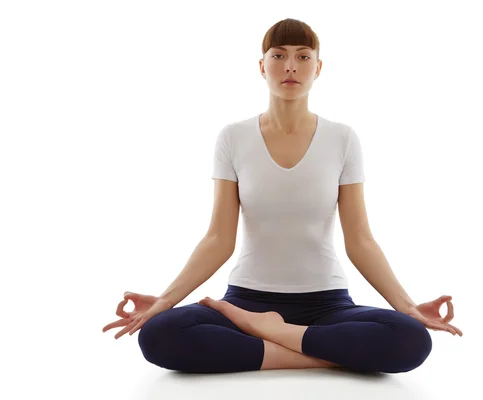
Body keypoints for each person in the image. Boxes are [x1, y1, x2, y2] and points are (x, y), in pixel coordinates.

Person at [102, 18, 462, 374]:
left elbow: (361, 240)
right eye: (279, 55)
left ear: (318, 67)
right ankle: (314, 353)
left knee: (410, 339)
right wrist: (165, 301)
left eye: (303, 57)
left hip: (327, 304)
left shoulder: (343, 139)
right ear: (262, 66)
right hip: (245, 302)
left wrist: (408, 307)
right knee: (159, 334)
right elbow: (218, 238)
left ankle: (273, 338)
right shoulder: (234, 137)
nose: (290, 66)